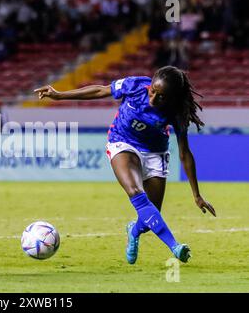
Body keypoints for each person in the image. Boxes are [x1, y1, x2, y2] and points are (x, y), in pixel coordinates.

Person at [34, 65, 216, 264]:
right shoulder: (135, 85)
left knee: (149, 218)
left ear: (172, 98)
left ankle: (134, 230)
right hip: (122, 141)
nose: (153, 98)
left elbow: (185, 154)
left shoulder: (177, 113)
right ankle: (174, 246)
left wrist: (196, 195)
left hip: (155, 152)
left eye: (161, 97)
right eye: (153, 91)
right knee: (136, 193)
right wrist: (59, 96)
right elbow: (100, 89)